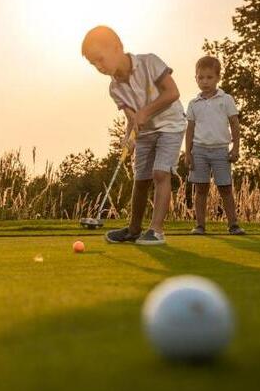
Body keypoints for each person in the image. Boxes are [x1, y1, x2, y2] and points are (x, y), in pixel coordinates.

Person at [81, 26, 186, 245]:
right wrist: (128, 138)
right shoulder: (114, 89)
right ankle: (134, 230)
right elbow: (132, 118)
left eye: (100, 59)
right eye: (93, 64)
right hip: (145, 132)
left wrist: (145, 112)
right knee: (140, 180)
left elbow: (172, 92)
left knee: (160, 173)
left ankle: (156, 231)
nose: (99, 66)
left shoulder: (150, 62)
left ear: (117, 47)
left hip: (170, 125)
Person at [185, 56, 246, 235]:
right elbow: (190, 129)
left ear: (218, 78)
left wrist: (236, 148)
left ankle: (233, 225)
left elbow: (234, 124)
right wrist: (188, 153)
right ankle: (200, 226)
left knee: (225, 188)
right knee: (200, 189)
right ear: (195, 78)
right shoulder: (193, 104)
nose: (205, 81)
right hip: (199, 151)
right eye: (201, 77)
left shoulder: (226, 99)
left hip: (220, 151)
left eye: (209, 77)